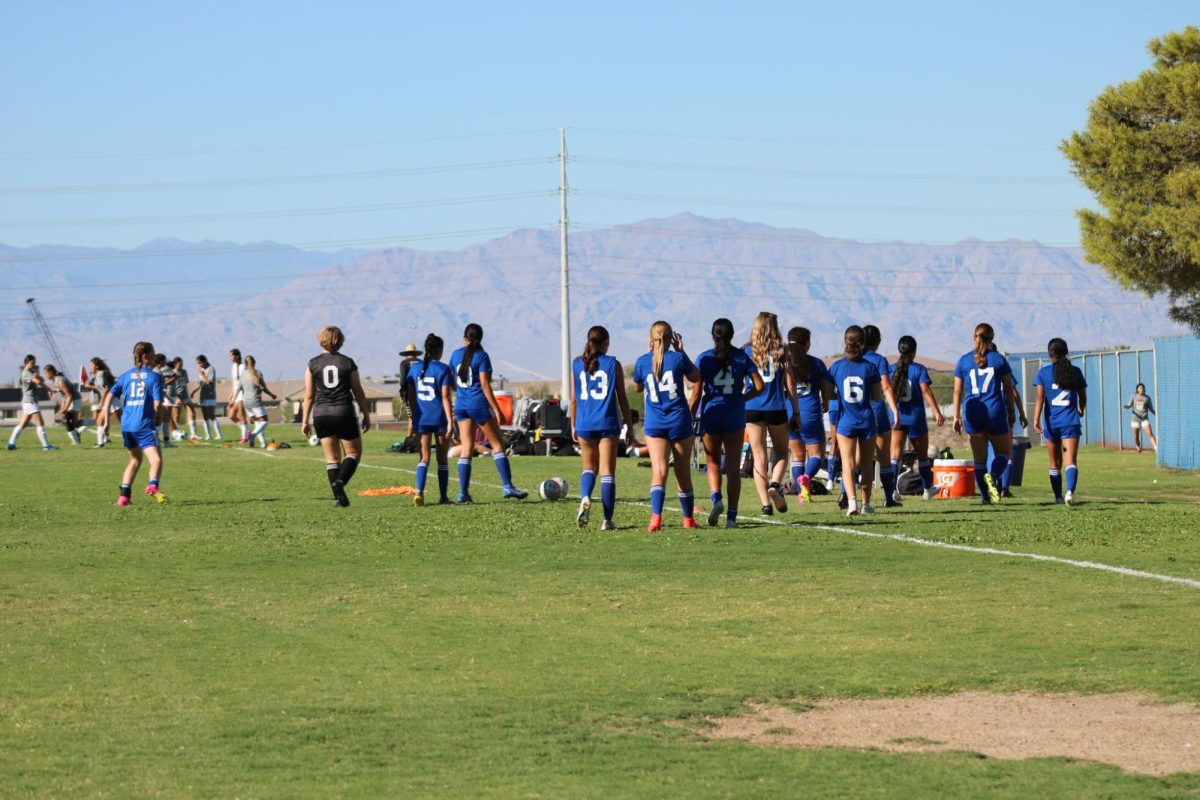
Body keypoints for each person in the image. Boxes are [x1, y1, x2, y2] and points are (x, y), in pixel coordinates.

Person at [688, 318, 764, 528]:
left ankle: (716, 499)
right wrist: (742, 398)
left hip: (712, 413)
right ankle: (731, 517)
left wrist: (689, 414)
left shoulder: (704, 358)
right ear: (732, 336)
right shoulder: (742, 357)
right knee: (732, 468)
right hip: (734, 414)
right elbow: (759, 386)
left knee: (712, 462)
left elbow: (696, 392)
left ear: (713, 336)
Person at [633, 321, 702, 531]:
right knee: (683, 473)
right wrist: (681, 350)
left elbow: (637, 387)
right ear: (672, 339)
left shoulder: (642, 362)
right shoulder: (678, 358)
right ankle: (688, 519)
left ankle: (656, 518)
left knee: (659, 470)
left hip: (655, 422)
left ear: (651, 341)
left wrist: (650, 355)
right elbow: (696, 377)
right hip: (679, 421)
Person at [448, 323, 528, 502]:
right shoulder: (482, 356)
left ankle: (463, 493)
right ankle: (508, 486)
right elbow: (484, 384)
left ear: (465, 338)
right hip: (478, 405)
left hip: (461, 405)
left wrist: (461, 393)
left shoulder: (455, 354)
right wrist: (497, 409)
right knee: (498, 445)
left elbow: (452, 379)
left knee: (466, 448)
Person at [570, 325, 635, 531]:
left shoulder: (577, 364)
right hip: (607, 423)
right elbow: (622, 399)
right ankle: (607, 520)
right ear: (606, 343)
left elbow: (573, 400)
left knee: (589, 467)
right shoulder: (613, 364)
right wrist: (630, 426)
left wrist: (573, 425)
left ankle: (585, 496)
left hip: (584, 423)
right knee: (607, 472)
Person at [301, 326, 372, 508]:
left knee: (332, 459)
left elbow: (309, 395)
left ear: (321, 340)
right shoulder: (347, 363)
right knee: (353, 453)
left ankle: (338, 499)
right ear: (341, 340)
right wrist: (366, 414)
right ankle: (339, 483)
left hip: (321, 414)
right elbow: (358, 391)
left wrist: (305, 421)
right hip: (344, 412)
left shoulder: (312, 364)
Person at [828, 326, 892, 516]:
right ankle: (866, 504)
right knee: (866, 464)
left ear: (844, 342)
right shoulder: (870, 367)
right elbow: (876, 397)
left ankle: (852, 503)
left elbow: (830, 395)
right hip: (866, 420)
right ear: (862, 343)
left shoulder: (836, 367)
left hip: (846, 421)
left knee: (847, 464)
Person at [952, 323, 1016, 505]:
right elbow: (1009, 390)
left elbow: (957, 392)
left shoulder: (963, 361)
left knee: (979, 460)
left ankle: (985, 497)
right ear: (991, 339)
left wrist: (956, 417)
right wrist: (1011, 411)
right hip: (994, 411)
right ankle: (994, 476)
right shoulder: (999, 359)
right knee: (1004, 453)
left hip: (972, 413)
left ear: (974, 337)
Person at [743, 312, 799, 516]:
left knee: (759, 457)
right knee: (782, 452)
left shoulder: (747, 350)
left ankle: (766, 504)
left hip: (752, 407)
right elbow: (790, 382)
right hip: (776, 407)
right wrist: (796, 410)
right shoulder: (782, 350)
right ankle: (775, 484)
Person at [97, 341, 166, 505]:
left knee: (135, 460)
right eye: (153, 353)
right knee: (156, 460)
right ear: (145, 356)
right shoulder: (155, 377)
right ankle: (153, 486)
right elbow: (158, 404)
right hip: (143, 425)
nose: (155, 356)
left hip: (127, 426)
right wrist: (160, 417)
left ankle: (124, 497)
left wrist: (106, 417)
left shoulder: (125, 376)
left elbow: (109, 396)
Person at [887, 336, 945, 501]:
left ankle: (892, 491)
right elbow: (926, 391)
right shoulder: (919, 369)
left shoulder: (891, 369)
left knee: (895, 456)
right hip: (915, 418)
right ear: (914, 352)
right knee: (922, 457)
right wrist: (937, 411)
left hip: (897, 417)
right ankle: (927, 490)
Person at [1033, 338, 1088, 505]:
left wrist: (1036, 420)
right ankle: (1070, 493)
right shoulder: (1075, 371)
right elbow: (1082, 395)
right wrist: (1081, 408)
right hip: (1070, 421)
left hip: (1051, 422)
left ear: (1050, 354)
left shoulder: (1043, 373)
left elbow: (1040, 398)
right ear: (1066, 352)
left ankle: (1057, 497)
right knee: (1070, 460)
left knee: (1054, 463)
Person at [785, 326, 833, 504]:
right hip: (810, 412)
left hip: (789, 412)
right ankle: (806, 477)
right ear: (807, 344)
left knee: (797, 455)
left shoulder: (783, 363)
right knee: (817, 455)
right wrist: (826, 402)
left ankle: (802, 494)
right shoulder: (816, 363)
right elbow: (825, 387)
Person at [406, 333, 455, 506]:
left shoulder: (414, 369)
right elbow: (445, 397)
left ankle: (419, 492)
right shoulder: (443, 369)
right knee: (442, 459)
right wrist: (450, 420)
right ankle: (443, 497)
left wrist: (413, 417)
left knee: (424, 457)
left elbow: (410, 397)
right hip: (439, 418)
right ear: (439, 351)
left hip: (422, 418)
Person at [862, 325, 903, 507]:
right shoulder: (879, 360)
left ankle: (846, 495)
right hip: (876, 411)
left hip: (856, 413)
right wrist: (894, 409)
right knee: (884, 458)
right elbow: (886, 386)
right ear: (878, 342)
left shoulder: (853, 359)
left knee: (854, 460)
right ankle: (888, 497)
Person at [6, 354, 56, 451]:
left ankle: (10, 444)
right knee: (40, 423)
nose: (34, 365)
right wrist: (48, 388)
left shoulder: (31, 372)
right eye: (32, 363)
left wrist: (38, 376)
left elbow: (41, 379)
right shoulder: (26, 373)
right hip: (30, 401)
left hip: (28, 402)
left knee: (22, 424)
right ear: (26, 363)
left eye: (35, 363)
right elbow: (37, 381)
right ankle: (46, 446)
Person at [239, 355, 278, 447]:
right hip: (255, 401)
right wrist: (272, 395)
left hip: (246, 402)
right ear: (255, 362)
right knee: (264, 421)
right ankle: (253, 435)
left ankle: (263, 443)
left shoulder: (243, 374)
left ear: (245, 364)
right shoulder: (258, 373)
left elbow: (239, 388)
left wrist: (232, 398)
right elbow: (263, 388)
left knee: (257, 422)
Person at [43, 364, 83, 446]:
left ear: (50, 372)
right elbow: (64, 395)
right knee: (73, 423)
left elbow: (70, 396)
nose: (45, 375)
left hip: (75, 400)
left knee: (68, 421)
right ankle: (95, 423)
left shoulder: (59, 380)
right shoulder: (56, 379)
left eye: (46, 373)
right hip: (73, 400)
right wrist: (53, 392)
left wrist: (65, 408)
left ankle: (75, 441)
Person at [87, 357, 117, 447]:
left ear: (96, 366)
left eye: (91, 365)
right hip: (112, 399)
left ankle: (101, 443)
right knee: (100, 420)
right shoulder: (99, 374)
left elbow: (106, 389)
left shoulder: (100, 374)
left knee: (123, 421)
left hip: (111, 399)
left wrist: (101, 402)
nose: (90, 367)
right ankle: (100, 443)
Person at [192, 354, 221, 440]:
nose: (199, 365)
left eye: (200, 363)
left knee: (211, 415)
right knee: (205, 416)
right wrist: (194, 391)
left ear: (204, 361)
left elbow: (209, 382)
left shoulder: (211, 369)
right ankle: (208, 435)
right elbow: (201, 383)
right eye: (198, 363)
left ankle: (219, 435)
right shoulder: (201, 370)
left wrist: (203, 375)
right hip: (202, 395)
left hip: (210, 395)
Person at [170, 357, 198, 441]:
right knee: (176, 417)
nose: (182, 366)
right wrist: (177, 397)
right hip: (177, 397)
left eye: (182, 364)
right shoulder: (171, 373)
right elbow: (172, 387)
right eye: (180, 364)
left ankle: (194, 435)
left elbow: (185, 384)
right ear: (175, 364)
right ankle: (176, 435)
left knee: (192, 413)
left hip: (186, 396)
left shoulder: (184, 372)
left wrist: (189, 394)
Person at [152, 354, 177, 445]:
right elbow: (158, 388)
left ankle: (164, 441)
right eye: (165, 360)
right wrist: (168, 398)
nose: (166, 362)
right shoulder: (157, 372)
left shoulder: (154, 370)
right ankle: (159, 441)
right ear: (161, 361)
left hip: (156, 398)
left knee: (163, 418)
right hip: (156, 399)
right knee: (160, 419)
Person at [1125, 383, 1157, 453]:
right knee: (1135, 436)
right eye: (1140, 388)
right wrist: (1127, 406)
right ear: (1137, 390)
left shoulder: (1147, 398)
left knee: (1150, 434)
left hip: (1144, 419)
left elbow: (1151, 409)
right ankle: (1138, 447)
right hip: (1135, 418)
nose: (1141, 389)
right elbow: (1130, 404)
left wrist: (1156, 414)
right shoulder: (1134, 396)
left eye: (1143, 388)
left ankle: (1156, 449)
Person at [228, 348, 248, 442]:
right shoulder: (233, 367)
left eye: (231, 356)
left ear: (237, 356)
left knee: (242, 415)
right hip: (235, 394)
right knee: (231, 416)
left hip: (242, 394)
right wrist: (231, 395)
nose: (230, 358)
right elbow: (234, 382)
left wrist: (237, 395)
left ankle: (244, 437)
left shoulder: (243, 367)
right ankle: (247, 432)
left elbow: (242, 382)